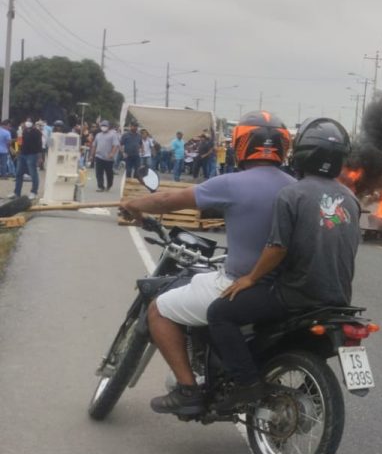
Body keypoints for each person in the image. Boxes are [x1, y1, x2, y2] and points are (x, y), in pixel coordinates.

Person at [119, 111, 295, 415]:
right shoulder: (296, 187)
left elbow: (166, 202)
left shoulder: (231, 184)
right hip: (285, 290)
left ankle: (188, 390)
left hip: (239, 283)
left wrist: (134, 204)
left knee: (158, 309)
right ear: (283, 146)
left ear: (241, 144)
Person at [208, 117, 359, 410]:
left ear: (300, 154)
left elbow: (277, 248)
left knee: (219, 313)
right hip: (339, 298)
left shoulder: (292, 194)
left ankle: (246, 385)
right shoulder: (351, 199)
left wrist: (250, 278)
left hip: (297, 294)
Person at [12, 119, 43, 199]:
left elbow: (39, 145)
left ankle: (34, 192)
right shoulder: (21, 131)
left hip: (32, 155)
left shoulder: (37, 132)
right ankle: (17, 193)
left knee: (33, 174)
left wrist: (40, 157)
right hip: (22, 154)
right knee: (18, 174)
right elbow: (18, 142)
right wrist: (16, 151)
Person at [91, 120, 120, 192]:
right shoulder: (98, 135)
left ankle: (109, 185)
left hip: (108, 158)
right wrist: (92, 155)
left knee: (109, 173)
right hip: (99, 157)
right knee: (98, 173)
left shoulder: (113, 135)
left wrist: (112, 153)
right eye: (102, 126)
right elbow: (94, 145)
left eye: (105, 126)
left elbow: (115, 145)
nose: (103, 127)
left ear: (108, 127)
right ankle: (100, 186)